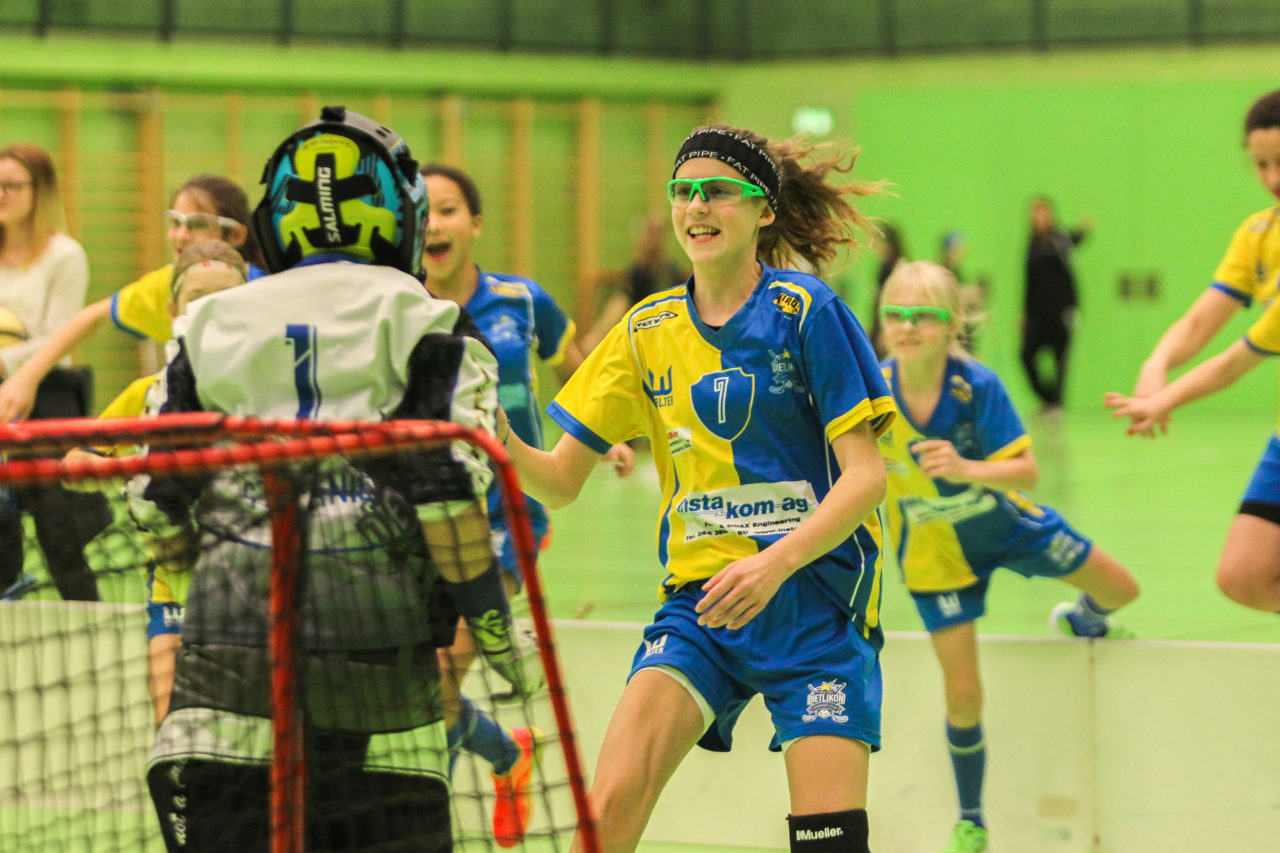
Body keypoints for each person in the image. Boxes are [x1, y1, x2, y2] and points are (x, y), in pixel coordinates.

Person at [141, 106, 537, 852]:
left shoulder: (207, 325)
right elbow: (448, 500)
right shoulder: (433, 324)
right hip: (384, 716)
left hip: (215, 712)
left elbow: (153, 502)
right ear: (404, 217)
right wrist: (496, 630)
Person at [501, 123, 895, 853]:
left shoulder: (806, 313)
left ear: (763, 210)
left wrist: (775, 561)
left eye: (717, 190)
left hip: (816, 606)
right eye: (683, 191)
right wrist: (491, 429)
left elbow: (866, 477)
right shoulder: (645, 328)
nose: (696, 206)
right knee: (605, 813)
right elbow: (557, 480)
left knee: (830, 842)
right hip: (702, 609)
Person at [877, 261, 1139, 853]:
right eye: (896, 313)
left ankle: (1085, 619)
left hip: (1010, 528)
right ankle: (972, 818)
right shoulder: (870, 391)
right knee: (964, 692)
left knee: (1123, 589)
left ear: (952, 326)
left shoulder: (977, 387)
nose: (908, 325)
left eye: (925, 315)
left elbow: (1028, 470)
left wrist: (967, 468)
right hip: (934, 557)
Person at [419, 162, 632, 846]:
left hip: (512, 512)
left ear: (475, 224)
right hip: (428, 512)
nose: (433, 223)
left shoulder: (520, 298)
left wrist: (605, 438)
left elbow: (579, 366)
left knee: (446, 670)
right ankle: (509, 754)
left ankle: (432, 827)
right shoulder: (399, 307)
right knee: (426, 681)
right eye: (422, 210)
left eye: (448, 209)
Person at [70, 240, 251, 724]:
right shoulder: (147, 394)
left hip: (254, 579)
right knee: (172, 717)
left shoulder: (265, 387)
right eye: (197, 298)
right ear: (173, 310)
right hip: (173, 583)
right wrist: (118, 468)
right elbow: (75, 458)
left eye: (226, 298)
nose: (211, 310)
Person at [1114, 88, 1280, 612]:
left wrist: (1164, 401)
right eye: (1261, 164)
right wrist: (1155, 365)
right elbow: (1201, 320)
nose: (1273, 178)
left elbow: (1238, 360)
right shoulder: (1258, 235)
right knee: (1244, 575)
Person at [0, 173, 265, 424]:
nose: (180, 235)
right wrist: (26, 378)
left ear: (236, 235)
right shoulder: (168, 282)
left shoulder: (268, 287)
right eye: (175, 222)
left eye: (196, 225)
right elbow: (92, 317)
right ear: (172, 308)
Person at [0, 142, 110, 601]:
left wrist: (8, 364)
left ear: (39, 191)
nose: (1, 194)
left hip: (49, 396)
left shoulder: (65, 255)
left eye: (11, 185)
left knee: (60, 537)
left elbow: (60, 335)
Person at [1020, 196, 1091, 413]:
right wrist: (1023, 314)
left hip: (1060, 311)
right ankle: (1047, 398)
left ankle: (1056, 404)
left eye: (1044, 212)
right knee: (1026, 355)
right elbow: (1028, 281)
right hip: (1038, 314)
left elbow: (1074, 241)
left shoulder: (1060, 240)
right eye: (1036, 213)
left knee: (1061, 359)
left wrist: (1084, 230)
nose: (1040, 217)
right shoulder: (1031, 244)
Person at [581, 212, 686, 353]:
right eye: (648, 234)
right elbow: (620, 302)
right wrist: (598, 334)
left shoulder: (670, 271)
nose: (651, 240)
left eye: (656, 234)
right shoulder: (638, 272)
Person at [866, 221, 905, 359]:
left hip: (889, 326)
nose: (874, 246)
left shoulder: (899, 268)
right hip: (879, 325)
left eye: (876, 241)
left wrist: (886, 330)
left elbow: (896, 303)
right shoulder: (884, 266)